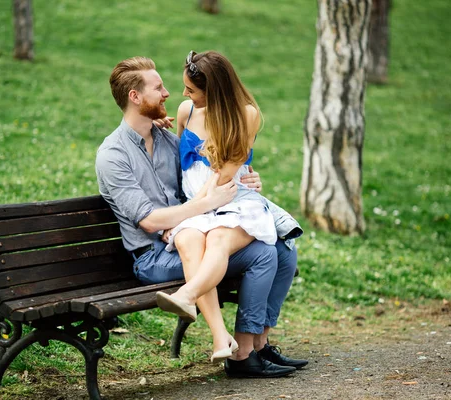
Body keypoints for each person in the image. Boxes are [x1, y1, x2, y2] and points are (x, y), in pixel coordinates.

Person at [96, 56, 307, 378]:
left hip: (191, 231)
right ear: (135, 97)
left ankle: (256, 346)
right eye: (158, 88)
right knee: (264, 254)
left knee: (283, 250)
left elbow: (207, 169)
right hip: (152, 255)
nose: (168, 93)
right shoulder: (114, 155)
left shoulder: (167, 139)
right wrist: (207, 203)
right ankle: (240, 353)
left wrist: (244, 176)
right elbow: (151, 222)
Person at [155, 50, 281, 365]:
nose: (184, 94)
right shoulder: (186, 111)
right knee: (187, 241)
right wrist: (156, 125)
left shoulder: (247, 114)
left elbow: (227, 174)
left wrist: (194, 210)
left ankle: (186, 296)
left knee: (218, 241)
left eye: (192, 89)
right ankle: (219, 338)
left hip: (230, 201)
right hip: (199, 205)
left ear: (216, 90)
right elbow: (177, 160)